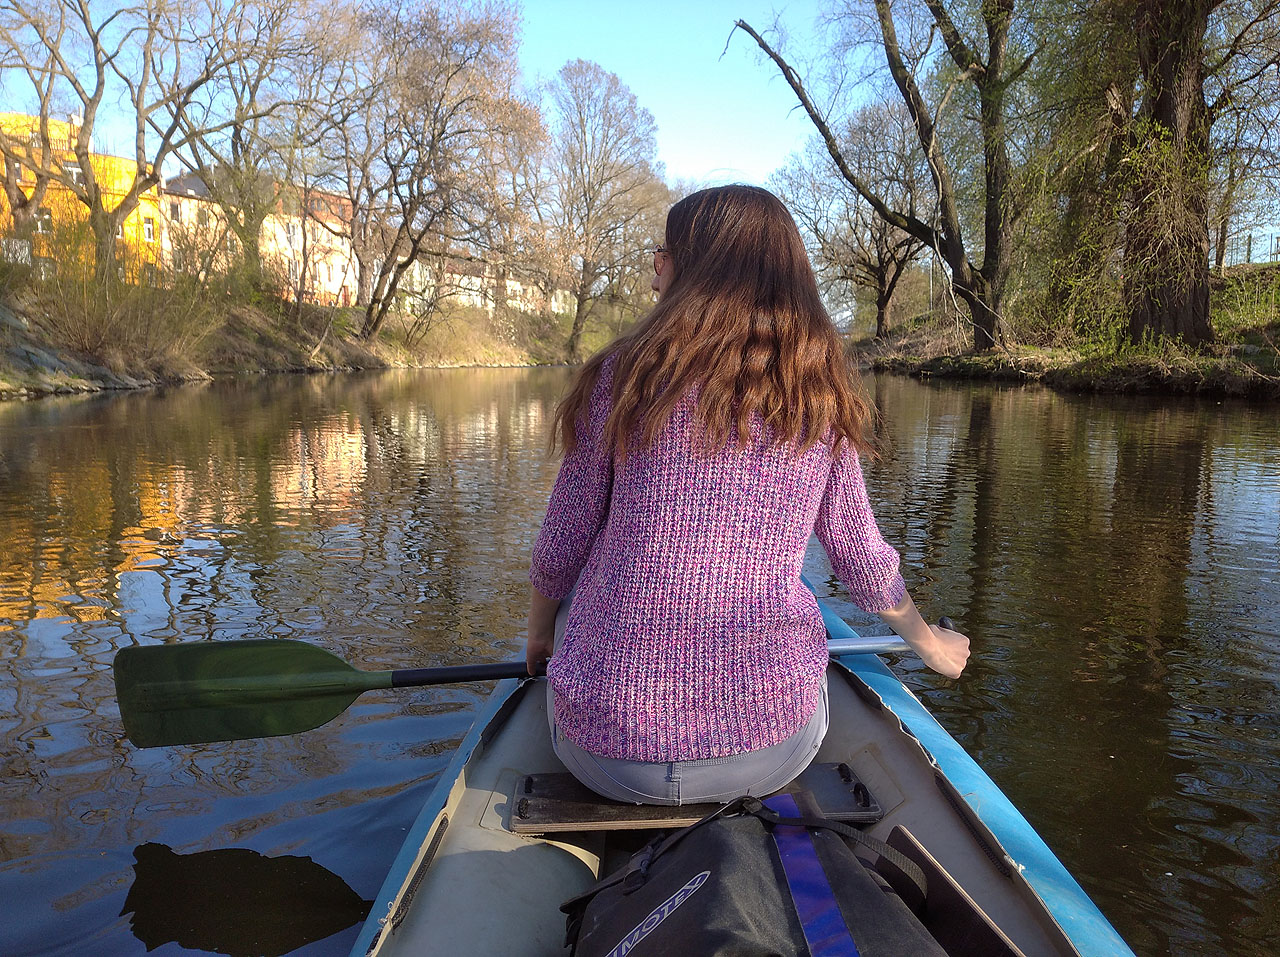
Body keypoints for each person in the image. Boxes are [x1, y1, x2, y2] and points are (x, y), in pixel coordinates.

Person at [526, 185, 969, 806]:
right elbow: (858, 554)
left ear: (692, 269)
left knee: (586, 594)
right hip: (767, 753)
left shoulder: (619, 377)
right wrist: (928, 643)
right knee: (792, 605)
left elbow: (563, 542)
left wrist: (540, 638)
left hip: (609, 756)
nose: (654, 270)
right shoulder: (815, 388)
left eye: (662, 255)